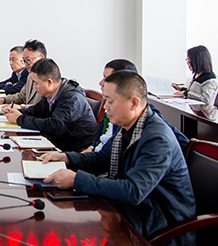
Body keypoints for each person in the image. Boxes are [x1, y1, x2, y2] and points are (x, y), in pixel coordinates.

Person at [43, 71, 196, 242]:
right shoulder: (127, 126)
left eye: (110, 101)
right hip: (134, 212)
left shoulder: (157, 139)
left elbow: (134, 191)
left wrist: (76, 180)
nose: (105, 107)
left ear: (134, 103)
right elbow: (103, 159)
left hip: (162, 228)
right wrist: (66, 158)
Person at [84, 59, 189, 153]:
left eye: (106, 79)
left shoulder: (153, 134)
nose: (101, 83)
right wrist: (91, 148)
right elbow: (103, 149)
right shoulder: (117, 115)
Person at [5, 58, 98, 151]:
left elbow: (54, 125)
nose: (34, 86)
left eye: (36, 83)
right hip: (58, 143)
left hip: (75, 150)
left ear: (49, 82)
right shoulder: (51, 93)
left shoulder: (71, 98)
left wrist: (20, 119)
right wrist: (18, 112)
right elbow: (37, 110)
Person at [0, 39, 47, 108]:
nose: (26, 64)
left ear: (41, 58)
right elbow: (21, 96)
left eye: (28, 60)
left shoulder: (48, 78)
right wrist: (3, 100)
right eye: (24, 61)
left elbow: (44, 108)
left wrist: (21, 108)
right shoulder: (30, 76)